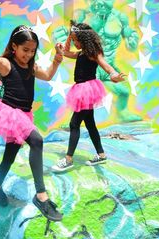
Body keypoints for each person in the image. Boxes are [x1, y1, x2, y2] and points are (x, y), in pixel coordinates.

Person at [0, 15, 64, 221]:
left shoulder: (31, 66)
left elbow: (48, 76)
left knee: (10, 153)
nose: (28, 54)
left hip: (24, 114)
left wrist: (56, 60)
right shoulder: (4, 63)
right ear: (14, 46)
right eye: (25, 50)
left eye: (32, 51)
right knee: (36, 141)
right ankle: (41, 195)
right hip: (10, 113)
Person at [52, 20, 126, 173]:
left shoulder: (93, 53)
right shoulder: (80, 54)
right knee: (90, 124)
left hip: (87, 91)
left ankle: (68, 159)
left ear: (84, 40)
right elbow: (65, 53)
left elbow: (106, 65)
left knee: (74, 124)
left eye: (75, 40)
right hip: (81, 91)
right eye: (73, 40)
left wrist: (113, 75)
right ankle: (101, 154)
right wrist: (67, 40)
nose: (74, 43)